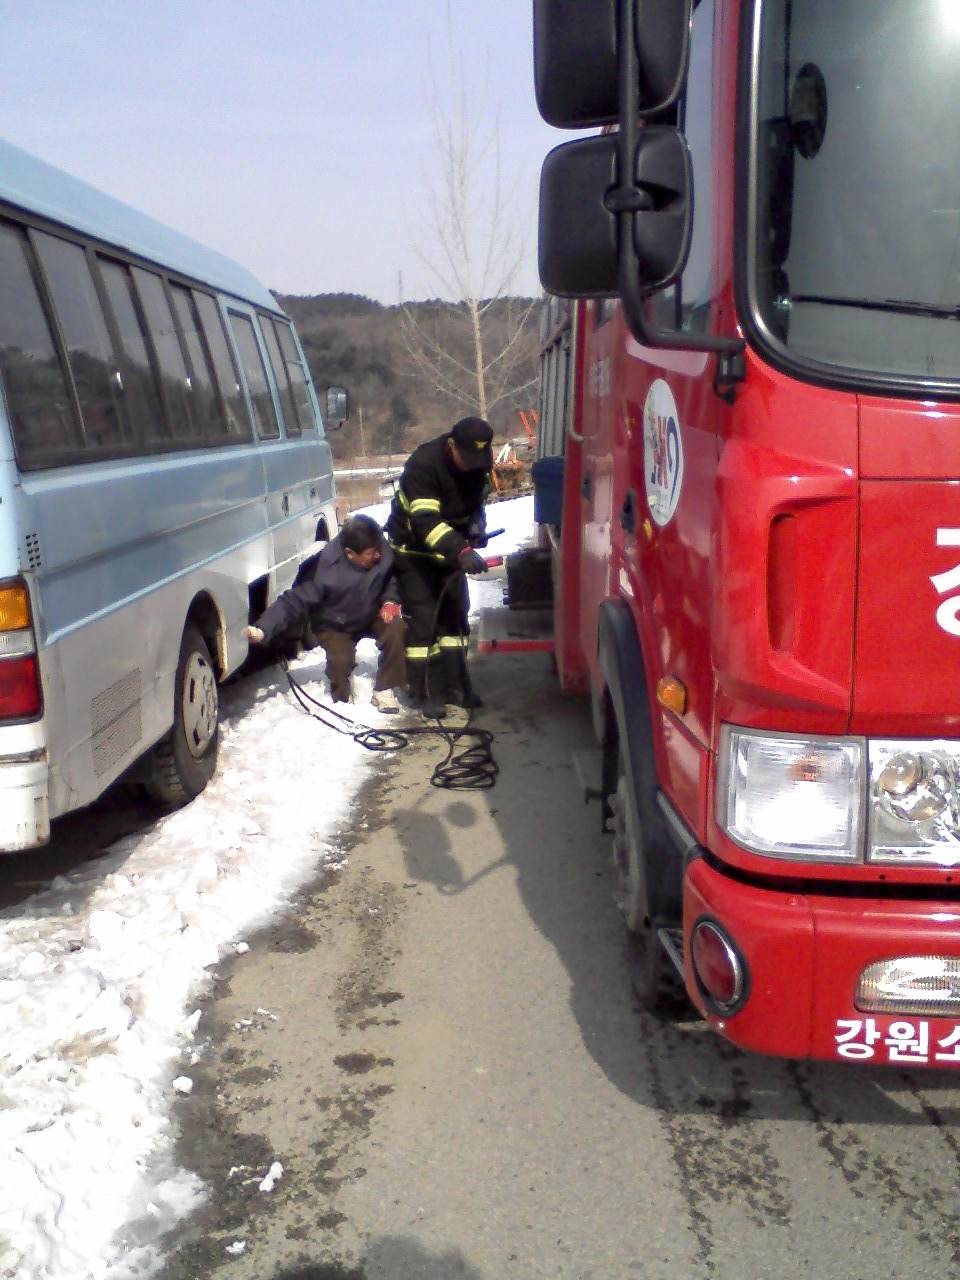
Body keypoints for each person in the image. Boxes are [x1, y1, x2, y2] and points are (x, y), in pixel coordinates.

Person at [243, 514, 406, 713]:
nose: (378, 556)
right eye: (371, 553)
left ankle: (385, 688)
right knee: (340, 664)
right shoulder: (323, 570)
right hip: (335, 625)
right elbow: (291, 601)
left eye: (379, 549)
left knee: (397, 628)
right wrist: (262, 629)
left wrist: (390, 600)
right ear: (350, 553)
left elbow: (390, 577)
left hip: (371, 613)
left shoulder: (380, 549)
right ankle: (343, 700)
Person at [386, 416, 493, 718]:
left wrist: (476, 526)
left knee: (454, 619)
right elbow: (425, 521)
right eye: (467, 459)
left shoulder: (478, 464)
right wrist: (461, 550)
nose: (471, 466)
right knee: (424, 623)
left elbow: (476, 499)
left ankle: (456, 686)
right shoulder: (424, 465)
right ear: (451, 446)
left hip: (450, 551)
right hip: (414, 552)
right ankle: (425, 692)